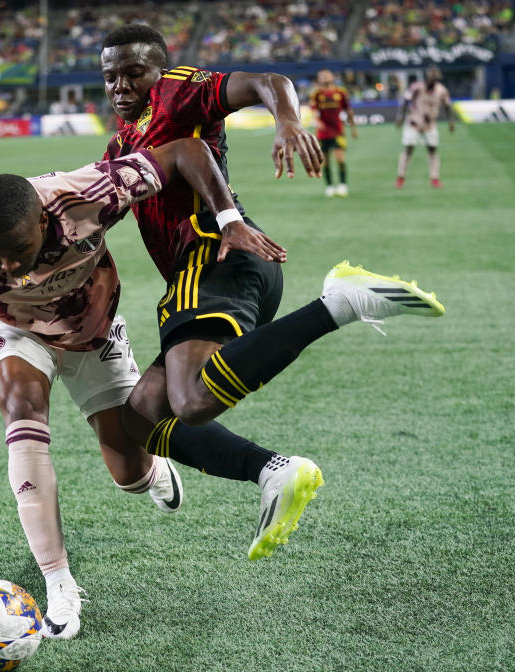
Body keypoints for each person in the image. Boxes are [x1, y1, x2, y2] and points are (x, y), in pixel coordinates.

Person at [0, 138, 289, 640]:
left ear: (43, 222)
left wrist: (228, 219)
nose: (7, 270)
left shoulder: (87, 193)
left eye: (17, 253)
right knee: (22, 406)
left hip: (92, 330)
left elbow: (186, 152)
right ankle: (58, 583)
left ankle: (151, 474)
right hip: (14, 332)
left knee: (128, 471)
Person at [99, 26, 442, 564]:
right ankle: (273, 473)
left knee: (188, 401)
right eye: (110, 76)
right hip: (218, 274)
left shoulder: (179, 91)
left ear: (158, 71)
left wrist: (286, 120)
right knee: (140, 414)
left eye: (133, 72)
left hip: (217, 254)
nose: (120, 85)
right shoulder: (120, 145)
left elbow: (269, 80)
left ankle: (341, 304)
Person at [395, 66, 455, 189]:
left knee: (432, 150)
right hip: (414, 122)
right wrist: (400, 117)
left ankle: (435, 179)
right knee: (409, 148)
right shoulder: (416, 87)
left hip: (430, 124)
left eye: (435, 77)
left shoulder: (441, 90)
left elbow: (448, 106)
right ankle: (401, 177)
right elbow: (405, 101)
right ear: (427, 76)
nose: (433, 79)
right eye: (431, 76)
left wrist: (451, 122)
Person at [310, 68, 357, 198]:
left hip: (337, 131)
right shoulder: (317, 94)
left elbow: (348, 110)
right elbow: (314, 112)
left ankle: (342, 185)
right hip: (322, 134)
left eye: (326, 75)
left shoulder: (341, 92)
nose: (323, 77)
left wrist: (353, 128)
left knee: (340, 159)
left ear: (332, 77)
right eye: (321, 76)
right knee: (325, 161)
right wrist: (317, 121)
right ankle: (330, 187)